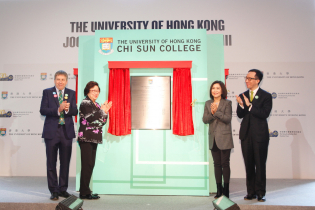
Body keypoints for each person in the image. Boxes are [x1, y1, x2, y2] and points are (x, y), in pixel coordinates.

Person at [40, 70, 78, 200]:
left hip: (66, 132)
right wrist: (58, 109)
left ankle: (63, 189)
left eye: (62, 79)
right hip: (51, 132)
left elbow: (75, 110)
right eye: (58, 79)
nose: (60, 82)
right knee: (51, 162)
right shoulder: (47, 92)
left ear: (67, 81)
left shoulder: (71, 93)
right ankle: (54, 191)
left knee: (65, 162)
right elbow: (43, 110)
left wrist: (67, 109)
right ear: (54, 80)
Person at [236, 69, 272, 202]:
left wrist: (250, 106)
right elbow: (240, 115)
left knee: (260, 164)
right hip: (246, 135)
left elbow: (264, 114)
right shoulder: (243, 94)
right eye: (246, 78)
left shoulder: (266, 96)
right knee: (249, 164)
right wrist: (241, 105)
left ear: (257, 80)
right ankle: (250, 192)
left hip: (260, 136)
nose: (247, 80)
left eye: (250, 78)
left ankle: (260, 192)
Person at [77, 81, 112, 200]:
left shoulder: (96, 105)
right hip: (86, 137)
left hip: (94, 137)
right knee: (86, 164)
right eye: (93, 91)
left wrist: (105, 111)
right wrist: (102, 111)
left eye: (97, 91)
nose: (96, 93)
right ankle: (83, 192)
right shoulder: (85, 103)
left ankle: (86, 190)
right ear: (87, 91)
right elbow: (91, 118)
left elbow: (102, 121)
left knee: (90, 164)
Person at [203, 81, 233, 198]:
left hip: (225, 138)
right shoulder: (207, 103)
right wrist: (212, 113)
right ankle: (218, 190)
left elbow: (227, 119)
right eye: (213, 88)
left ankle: (226, 190)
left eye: (218, 88)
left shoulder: (227, 103)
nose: (215, 90)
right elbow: (205, 119)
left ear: (222, 90)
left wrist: (217, 112)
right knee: (216, 164)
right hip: (213, 138)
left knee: (225, 164)